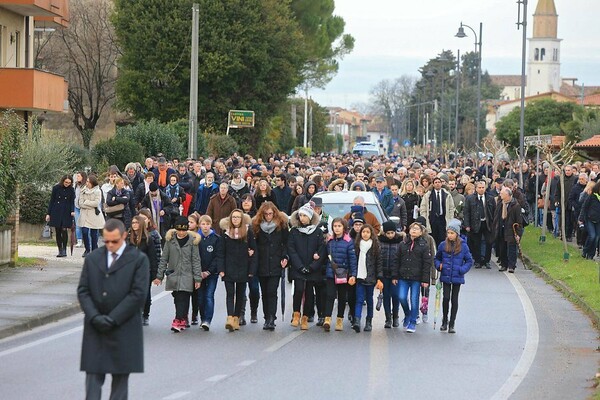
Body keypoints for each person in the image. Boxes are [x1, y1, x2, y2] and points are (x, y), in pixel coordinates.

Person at [77, 219, 149, 400]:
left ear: (124, 236)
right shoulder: (93, 258)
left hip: (123, 327)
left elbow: (138, 294)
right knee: (92, 379)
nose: (110, 245)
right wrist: (94, 316)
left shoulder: (138, 259)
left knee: (120, 383)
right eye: (106, 241)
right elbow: (83, 291)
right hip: (96, 327)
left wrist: (113, 318)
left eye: (114, 241)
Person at [153, 216, 202, 332]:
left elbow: (196, 260)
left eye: (183, 230)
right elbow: (164, 259)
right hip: (174, 274)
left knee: (183, 297)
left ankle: (178, 319)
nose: (181, 232)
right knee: (177, 297)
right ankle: (183, 317)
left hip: (187, 274)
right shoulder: (170, 241)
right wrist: (159, 276)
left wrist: (197, 278)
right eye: (179, 230)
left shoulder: (192, 241)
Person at [288, 201, 326, 330]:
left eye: (305, 216)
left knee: (310, 292)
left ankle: (305, 317)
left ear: (310, 217)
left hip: (312, 268)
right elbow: (291, 250)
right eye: (300, 216)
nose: (302, 219)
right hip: (298, 268)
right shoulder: (294, 231)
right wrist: (299, 266)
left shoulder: (317, 232)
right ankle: (296, 314)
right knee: (298, 289)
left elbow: (321, 250)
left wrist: (312, 266)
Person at [219, 209, 257, 331]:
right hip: (229, 267)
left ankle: (236, 317)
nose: (235, 219)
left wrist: (251, 269)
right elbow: (221, 253)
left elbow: (253, 250)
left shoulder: (247, 232)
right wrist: (221, 268)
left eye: (238, 217)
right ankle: (230, 317)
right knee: (230, 293)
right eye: (233, 217)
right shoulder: (225, 233)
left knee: (240, 294)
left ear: (242, 219)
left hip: (243, 267)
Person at [252, 201, 289, 330]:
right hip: (262, 263)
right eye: (266, 214)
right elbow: (254, 244)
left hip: (275, 262)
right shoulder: (256, 226)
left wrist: (285, 257)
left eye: (270, 214)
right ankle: (266, 317)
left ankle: (272, 317)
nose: (268, 216)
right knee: (264, 292)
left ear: (274, 214)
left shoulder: (282, 225)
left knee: (272, 291)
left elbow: (286, 243)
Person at [434, 219, 473, 333]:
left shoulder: (463, 246)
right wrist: (438, 265)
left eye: (452, 233)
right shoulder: (442, 245)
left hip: (457, 276)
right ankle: (444, 320)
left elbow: (469, 261)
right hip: (445, 275)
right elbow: (437, 258)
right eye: (448, 233)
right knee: (446, 298)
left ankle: (452, 323)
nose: (450, 235)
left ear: (457, 234)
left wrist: (462, 270)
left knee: (454, 299)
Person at [396, 222, 432, 333]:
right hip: (403, 276)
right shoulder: (403, 244)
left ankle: (412, 321)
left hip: (416, 278)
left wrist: (425, 280)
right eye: (412, 228)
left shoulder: (424, 245)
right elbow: (397, 260)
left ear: (421, 232)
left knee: (414, 299)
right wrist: (395, 276)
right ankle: (407, 313)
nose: (414, 230)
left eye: (417, 229)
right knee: (401, 297)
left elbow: (427, 263)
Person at [323, 217, 357, 332]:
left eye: (339, 226)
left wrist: (353, 274)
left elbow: (352, 259)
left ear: (344, 227)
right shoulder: (330, 241)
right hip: (331, 273)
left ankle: (339, 319)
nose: (337, 228)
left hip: (343, 274)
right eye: (335, 226)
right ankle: (327, 319)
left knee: (342, 297)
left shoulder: (348, 241)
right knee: (330, 295)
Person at [194, 214, 223, 331]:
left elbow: (217, 256)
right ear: (199, 225)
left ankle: (207, 320)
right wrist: (199, 271)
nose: (205, 227)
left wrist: (209, 271)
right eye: (203, 224)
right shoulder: (196, 238)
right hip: (199, 273)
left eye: (207, 224)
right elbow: (194, 256)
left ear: (211, 225)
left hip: (212, 274)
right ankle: (202, 318)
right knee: (200, 297)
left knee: (209, 296)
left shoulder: (216, 238)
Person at [352, 224, 383, 333]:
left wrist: (379, 278)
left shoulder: (375, 246)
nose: (365, 234)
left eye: (367, 232)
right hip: (359, 277)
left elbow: (379, 263)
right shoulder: (356, 245)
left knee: (369, 300)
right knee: (359, 299)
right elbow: (353, 261)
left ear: (371, 234)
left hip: (370, 277)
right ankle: (357, 321)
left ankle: (369, 321)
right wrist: (353, 274)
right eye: (363, 232)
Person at [128, 215, 158, 326]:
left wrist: (155, 275)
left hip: (145, 271)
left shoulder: (148, 239)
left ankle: (145, 315)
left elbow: (153, 257)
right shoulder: (128, 238)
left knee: (145, 294)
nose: (134, 225)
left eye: (137, 222)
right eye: (133, 223)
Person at [463, 181, 496, 269]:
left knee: (489, 242)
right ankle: (477, 261)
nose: (481, 189)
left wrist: (494, 224)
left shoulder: (490, 198)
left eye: (483, 187)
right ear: (476, 189)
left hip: (487, 223)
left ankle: (487, 261)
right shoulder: (470, 198)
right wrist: (467, 225)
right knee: (476, 243)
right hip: (475, 223)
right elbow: (466, 212)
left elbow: (494, 212)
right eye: (479, 188)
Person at [492, 187, 523, 273]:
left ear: (507, 195)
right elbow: (496, 216)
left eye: (502, 194)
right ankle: (503, 264)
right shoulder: (500, 204)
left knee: (512, 248)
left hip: (511, 230)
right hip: (501, 229)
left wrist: (518, 234)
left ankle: (511, 266)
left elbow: (519, 221)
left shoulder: (515, 205)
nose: (500, 195)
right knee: (502, 248)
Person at [378, 220, 402, 328]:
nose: (390, 235)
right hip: (384, 274)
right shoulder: (380, 242)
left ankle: (395, 316)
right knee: (386, 296)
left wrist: (397, 274)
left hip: (395, 275)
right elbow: (378, 259)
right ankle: (388, 318)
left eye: (392, 233)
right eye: (388, 233)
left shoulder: (400, 242)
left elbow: (401, 259)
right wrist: (379, 275)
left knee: (396, 295)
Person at [420, 176, 455, 247]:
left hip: (443, 219)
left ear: (441, 184)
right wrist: (425, 218)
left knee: (442, 238)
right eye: (436, 182)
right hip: (432, 219)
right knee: (433, 238)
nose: (437, 184)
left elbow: (451, 208)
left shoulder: (447, 194)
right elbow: (423, 208)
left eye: (439, 182)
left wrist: (450, 218)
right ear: (433, 184)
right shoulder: (428, 195)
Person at [46, 175, 75, 257]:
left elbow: (72, 201)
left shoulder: (71, 190)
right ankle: (60, 249)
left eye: (69, 183)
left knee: (64, 230)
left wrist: (72, 211)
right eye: (66, 182)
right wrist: (49, 213)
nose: (67, 184)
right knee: (58, 231)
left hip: (66, 211)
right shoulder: (56, 188)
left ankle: (65, 249)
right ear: (62, 181)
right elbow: (52, 201)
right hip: (56, 211)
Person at [78, 175, 105, 257]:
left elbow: (97, 203)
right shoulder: (83, 190)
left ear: (92, 183)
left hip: (94, 215)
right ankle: (87, 249)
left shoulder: (98, 191)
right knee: (85, 232)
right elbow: (80, 203)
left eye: (88, 181)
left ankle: (94, 249)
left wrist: (86, 202)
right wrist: (89, 203)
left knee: (94, 234)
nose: (86, 183)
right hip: (85, 214)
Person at [579, 181, 600, 260]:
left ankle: (591, 254)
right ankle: (585, 250)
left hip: (598, 220)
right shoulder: (592, 196)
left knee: (597, 238)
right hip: (589, 218)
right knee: (592, 236)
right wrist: (581, 218)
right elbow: (584, 207)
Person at [74, 171, 88, 248]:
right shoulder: (76, 185)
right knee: (77, 224)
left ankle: (87, 241)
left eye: (79, 176)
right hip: (76, 207)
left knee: (85, 225)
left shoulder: (86, 186)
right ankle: (79, 241)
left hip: (84, 208)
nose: (77, 177)